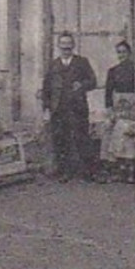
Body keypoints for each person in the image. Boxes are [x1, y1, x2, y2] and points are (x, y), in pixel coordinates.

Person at [41, 31, 98, 181]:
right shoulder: (53, 65)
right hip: (58, 109)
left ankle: (87, 172)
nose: (66, 48)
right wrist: (46, 109)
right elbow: (46, 89)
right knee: (61, 140)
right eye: (63, 44)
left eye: (68, 44)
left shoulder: (82, 62)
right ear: (59, 46)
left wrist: (82, 84)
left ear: (73, 45)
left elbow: (93, 81)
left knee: (82, 138)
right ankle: (64, 171)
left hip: (77, 108)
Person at [99, 40, 135, 178]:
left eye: (124, 52)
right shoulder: (113, 71)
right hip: (118, 106)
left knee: (127, 130)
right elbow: (108, 93)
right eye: (119, 52)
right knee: (110, 129)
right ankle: (114, 167)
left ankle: (130, 169)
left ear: (130, 53)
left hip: (133, 107)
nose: (122, 55)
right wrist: (109, 109)